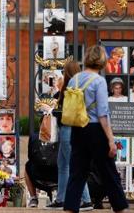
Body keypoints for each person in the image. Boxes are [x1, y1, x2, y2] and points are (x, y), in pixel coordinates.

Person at [63, 45, 128, 213]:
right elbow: (102, 113)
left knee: (77, 172)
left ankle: (70, 208)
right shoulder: (99, 81)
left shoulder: (74, 79)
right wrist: (111, 139)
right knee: (108, 171)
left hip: (77, 129)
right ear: (102, 61)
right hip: (96, 130)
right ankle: (120, 207)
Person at [46, 60, 94, 210]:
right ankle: (61, 198)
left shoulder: (71, 88)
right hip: (69, 128)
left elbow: (67, 111)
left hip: (68, 129)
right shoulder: (76, 87)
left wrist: (52, 110)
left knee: (73, 165)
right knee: (63, 164)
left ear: (67, 72)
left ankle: (86, 200)